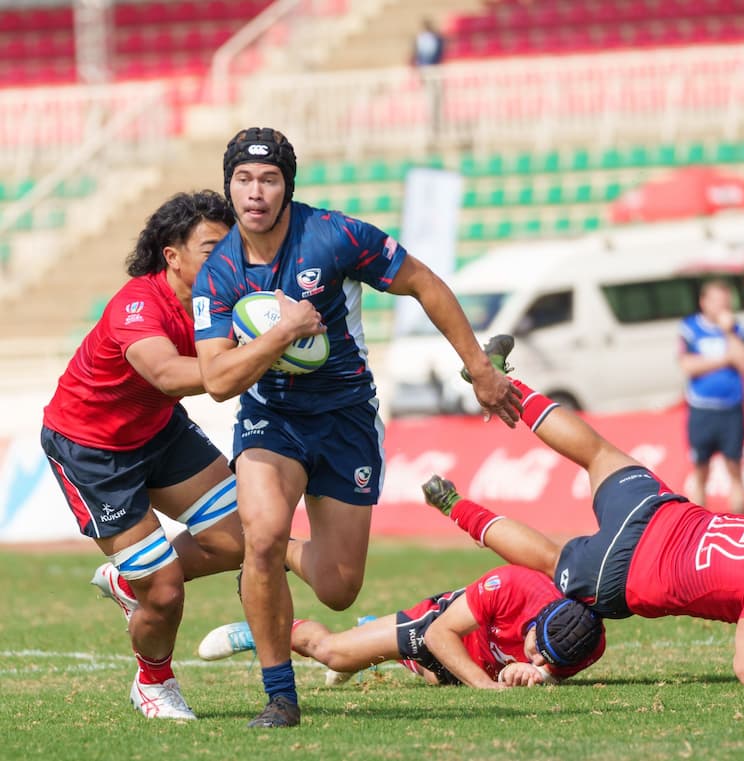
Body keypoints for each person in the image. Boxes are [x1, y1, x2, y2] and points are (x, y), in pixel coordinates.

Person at [192, 127, 521, 728]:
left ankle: (277, 555)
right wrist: (281, 335)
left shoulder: (336, 236)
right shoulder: (218, 273)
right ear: (229, 187)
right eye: (243, 180)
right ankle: (281, 696)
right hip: (273, 419)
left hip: (346, 418)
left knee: (340, 588)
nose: (255, 193)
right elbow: (216, 380)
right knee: (259, 534)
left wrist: (478, 367)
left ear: (287, 187)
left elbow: (422, 280)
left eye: (268, 180)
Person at [422, 335, 744, 686]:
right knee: (552, 558)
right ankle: (454, 505)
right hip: (626, 572)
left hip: (656, 508)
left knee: (597, 452)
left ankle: (506, 381)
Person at [40, 191, 251, 720]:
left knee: (244, 539)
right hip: (94, 449)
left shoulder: (229, 297)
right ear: (171, 255)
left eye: (232, 249)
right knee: (164, 593)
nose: (226, 260)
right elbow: (166, 374)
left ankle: (127, 579)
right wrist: (262, 352)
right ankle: (153, 683)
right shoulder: (138, 304)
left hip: (160, 430)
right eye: (211, 249)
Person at [197, 564, 605, 689]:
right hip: (440, 629)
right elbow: (437, 634)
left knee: (431, 678)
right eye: (532, 647)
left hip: (458, 668)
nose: (532, 657)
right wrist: (489, 686)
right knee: (333, 653)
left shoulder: (585, 643)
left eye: (546, 659)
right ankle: (261, 631)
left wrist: (541, 675)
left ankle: (375, 635)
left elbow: (552, 674)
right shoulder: (513, 586)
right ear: (538, 618)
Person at [678, 280, 744, 514]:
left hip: (731, 410)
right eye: (717, 302)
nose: (723, 307)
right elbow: (688, 365)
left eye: (726, 303)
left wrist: (729, 332)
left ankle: (740, 526)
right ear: (704, 302)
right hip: (702, 410)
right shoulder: (690, 328)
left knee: (735, 469)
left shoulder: (738, 330)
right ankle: (696, 526)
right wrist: (723, 360)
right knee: (701, 470)